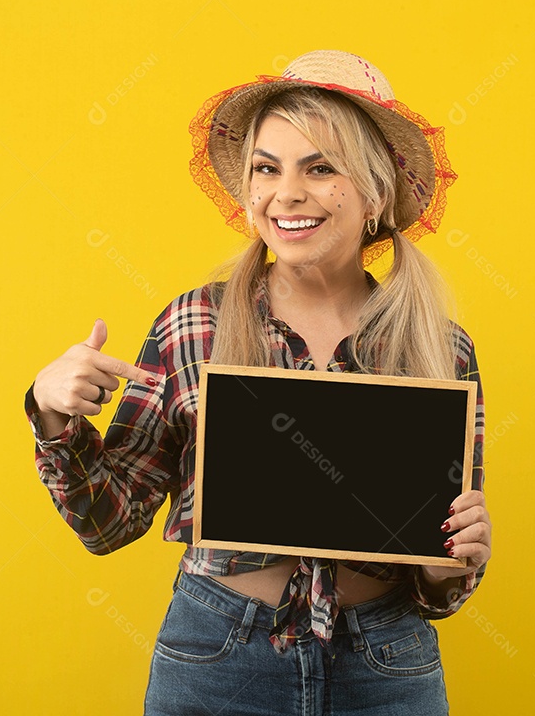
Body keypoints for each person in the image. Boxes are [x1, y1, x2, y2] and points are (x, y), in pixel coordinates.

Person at [24, 49, 491, 715]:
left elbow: (439, 588)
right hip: (217, 656)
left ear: (375, 192)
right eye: (267, 169)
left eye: (320, 168)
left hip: (386, 664)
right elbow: (106, 521)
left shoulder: (439, 349)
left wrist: (457, 562)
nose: (286, 194)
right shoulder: (195, 324)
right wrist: (53, 417)